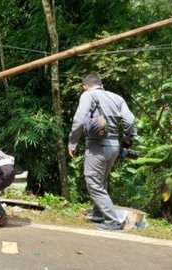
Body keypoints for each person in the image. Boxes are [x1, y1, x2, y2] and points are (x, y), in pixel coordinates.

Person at [68, 74, 136, 231]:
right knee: (101, 180)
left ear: (85, 87)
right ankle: (98, 213)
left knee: (93, 181)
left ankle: (112, 221)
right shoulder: (117, 98)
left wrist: (72, 142)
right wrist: (127, 137)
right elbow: (130, 120)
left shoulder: (88, 95)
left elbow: (79, 120)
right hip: (114, 146)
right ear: (102, 85)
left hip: (97, 146)